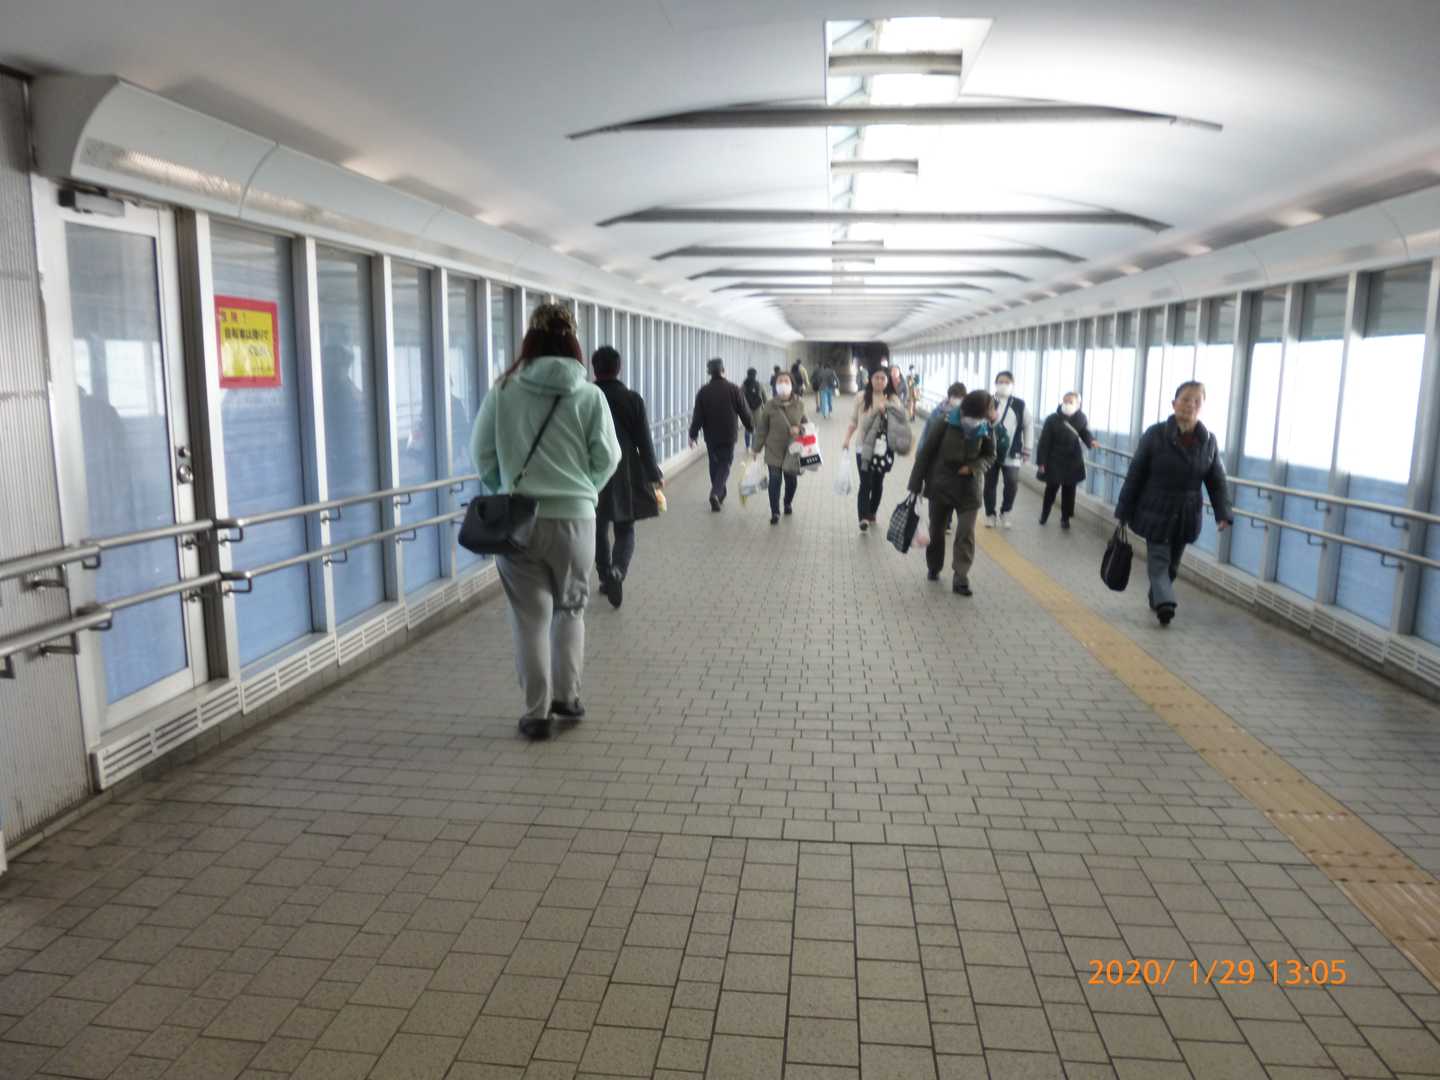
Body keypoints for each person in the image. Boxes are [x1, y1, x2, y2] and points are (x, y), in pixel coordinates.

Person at [471, 302, 621, 739]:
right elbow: (608, 457)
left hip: (519, 520)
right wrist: (584, 489)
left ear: (530, 341)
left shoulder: (503, 391)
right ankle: (567, 699)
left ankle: (536, 714)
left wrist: (505, 486)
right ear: (573, 342)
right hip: (575, 520)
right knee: (571, 610)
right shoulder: (589, 395)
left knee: (530, 618)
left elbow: (481, 454)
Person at [1115, 381, 1233, 627]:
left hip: (1186, 514)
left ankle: (1157, 597)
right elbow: (1136, 474)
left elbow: (1216, 481)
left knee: (1172, 566)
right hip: (1156, 509)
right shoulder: (1155, 434)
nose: (1190, 405)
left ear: (1202, 407)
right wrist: (1124, 510)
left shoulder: (1208, 441)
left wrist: (1223, 513)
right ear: (1174, 403)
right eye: (1185, 399)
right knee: (1159, 561)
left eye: (1196, 401)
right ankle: (1166, 605)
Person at [592, 345, 663, 610]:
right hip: (626, 472)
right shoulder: (632, 399)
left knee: (598, 527)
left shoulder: (586, 398)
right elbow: (644, 441)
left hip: (593, 472)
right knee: (625, 528)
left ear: (594, 369)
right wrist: (654, 474)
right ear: (618, 368)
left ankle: (604, 575)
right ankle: (618, 570)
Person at [908, 389, 996, 596]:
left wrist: (973, 467)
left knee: (965, 533)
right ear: (978, 409)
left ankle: (961, 576)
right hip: (942, 485)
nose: (993, 412)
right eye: (990, 408)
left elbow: (990, 455)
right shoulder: (945, 422)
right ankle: (934, 566)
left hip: (970, 488)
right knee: (937, 531)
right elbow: (925, 453)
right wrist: (915, 484)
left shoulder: (986, 428)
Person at [843, 366, 910, 532]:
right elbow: (854, 420)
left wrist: (888, 410)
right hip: (862, 447)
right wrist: (846, 439)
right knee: (865, 483)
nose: (879, 381)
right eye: (876, 378)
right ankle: (863, 517)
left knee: (878, 483)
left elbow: (901, 422)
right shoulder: (861, 397)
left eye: (882, 378)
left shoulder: (893, 399)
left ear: (887, 381)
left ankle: (872, 511)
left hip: (883, 449)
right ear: (870, 379)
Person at [689, 357, 753, 512]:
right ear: (723, 370)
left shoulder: (703, 391)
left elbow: (698, 416)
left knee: (714, 464)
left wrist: (693, 435)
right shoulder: (733, 389)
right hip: (728, 434)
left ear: (709, 373)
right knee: (725, 464)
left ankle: (719, 494)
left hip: (711, 436)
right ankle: (716, 493)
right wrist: (750, 427)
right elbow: (744, 411)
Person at [750, 370, 808, 525]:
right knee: (775, 481)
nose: (783, 384)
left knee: (791, 481)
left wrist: (799, 429)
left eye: (786, 381)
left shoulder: (800, 404)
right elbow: (762, 429)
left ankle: (787, 502)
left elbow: (806, 425)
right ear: (775, 385)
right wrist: (756, 448)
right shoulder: (770, 405)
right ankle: (775, 512)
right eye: (780, 381)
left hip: (792, 450)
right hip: (773, 449)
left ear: (792, 385)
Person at [1036, 391, 1100, 530]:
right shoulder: (1052, 419)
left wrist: (1091, 441)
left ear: (1078, 404)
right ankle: (1044, 514)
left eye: (1071, 402)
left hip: (1072, 461)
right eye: (1065, 401)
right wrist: (1041, 462)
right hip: (1054, 460)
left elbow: (1084, 432)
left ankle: (1065, 518)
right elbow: (1044, 442)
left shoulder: (1081, 418)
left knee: (1069, 492)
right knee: (1051, 489)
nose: (1067, 404)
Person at [984, 370, 1027, 529]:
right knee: (990, 484)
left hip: (1012, 452)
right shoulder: (988, 401)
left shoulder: (1019, 404)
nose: (1003, 385)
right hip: (990, 451)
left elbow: (1028, 425)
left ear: (1012, 384)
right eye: (1000, 382)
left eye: (1007, 382)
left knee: (1012, 483)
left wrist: (1027, 449)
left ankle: (1005, 512)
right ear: (995, 384)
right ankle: (990, 514)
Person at [741, 367, 767, 449]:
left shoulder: (744, 385)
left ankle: (747, 446)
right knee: (756, 428)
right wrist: (765, 407)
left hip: (747, 409)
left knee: (748, 427)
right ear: (755, 375)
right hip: (758, 409)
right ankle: (754, 446)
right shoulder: (759, 384)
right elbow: (764, 397)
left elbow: (740, 397)